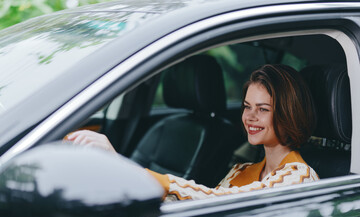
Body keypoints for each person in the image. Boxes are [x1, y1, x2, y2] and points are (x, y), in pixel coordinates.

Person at [66, 64, 319, 201]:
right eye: (246, 106)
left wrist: (123, 167)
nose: (250, 116)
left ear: (288, 113)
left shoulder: (299, 177)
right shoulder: (242, 170)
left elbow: (214, 202)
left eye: (263, 109)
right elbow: (194, 209)